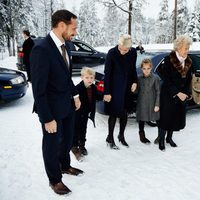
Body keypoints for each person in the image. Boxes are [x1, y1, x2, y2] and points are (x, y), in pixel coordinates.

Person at [30, 10, 83, 195]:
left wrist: (75, 95)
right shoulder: (41, 49)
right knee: (51, 145)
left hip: (67, 105)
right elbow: (38, 88)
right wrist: (46, 118)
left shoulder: (66, 46)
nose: (75, 32)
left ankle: (65, 166)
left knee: (67, 139)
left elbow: (67, 77)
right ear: (62, 25)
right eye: (73, 28)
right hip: (50, 110)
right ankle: (54, 179)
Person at [157, 35, 193, 151]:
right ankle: (161, 140)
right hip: (168, 94)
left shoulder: (188, 61)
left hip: (181, 95)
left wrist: (185, 93)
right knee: (165, 118)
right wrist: (177, 92)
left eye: (188, 48)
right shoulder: (169, 60)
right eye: (185, 48)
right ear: (178, 48)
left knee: (175, 117)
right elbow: (166, 79)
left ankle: (169, 138)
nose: (187, 51)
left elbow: (189, 80)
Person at [103, 34, 138, 149]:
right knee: (113, 113)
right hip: (114, 88)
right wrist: (107, 92)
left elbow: (133, 69)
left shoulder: (133, 53)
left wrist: (134, 82)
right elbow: (107, 74)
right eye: (121, 49)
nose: (123, 52)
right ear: (118, 44)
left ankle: (121, 136)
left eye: (126, 50)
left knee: (124, 112)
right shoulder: (112, 53)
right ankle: (110, 138)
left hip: (127, 87)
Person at [71, 67, 97, 160]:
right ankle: (74, 146)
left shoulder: (93, 88)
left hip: (85, 113)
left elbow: (95, 98)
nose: (89, 80)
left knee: (83, 129)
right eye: (87, 77)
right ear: (82, 77)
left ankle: (82, 144)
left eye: (91, 77)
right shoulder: (77, 88)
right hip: (77, 113)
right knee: (75, 129)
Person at [136, 59, 160, 144]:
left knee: (157, 119)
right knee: (141, 119)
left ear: (151, 68)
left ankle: (160, 136)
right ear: (141, 69)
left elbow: (158, 92)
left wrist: (157, 104)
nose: (146, 71)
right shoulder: (139, 78)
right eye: (144, 68)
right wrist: (133, 88)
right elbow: (136, 91)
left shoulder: (155, 78)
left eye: (148, 68)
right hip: (142, 102)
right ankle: (142, 136)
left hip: (152, 102)